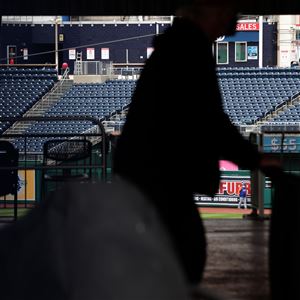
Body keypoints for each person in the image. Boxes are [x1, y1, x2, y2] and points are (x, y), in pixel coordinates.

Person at [113, 0, 280, 285]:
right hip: (158, 172)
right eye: (227, 9)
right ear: (211, 11)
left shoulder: (180, 43)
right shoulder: (189, 46)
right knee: (186, 253)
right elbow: (208, 117)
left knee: (174, 252)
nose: (232, 16)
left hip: (150, 169)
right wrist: (254, 158)